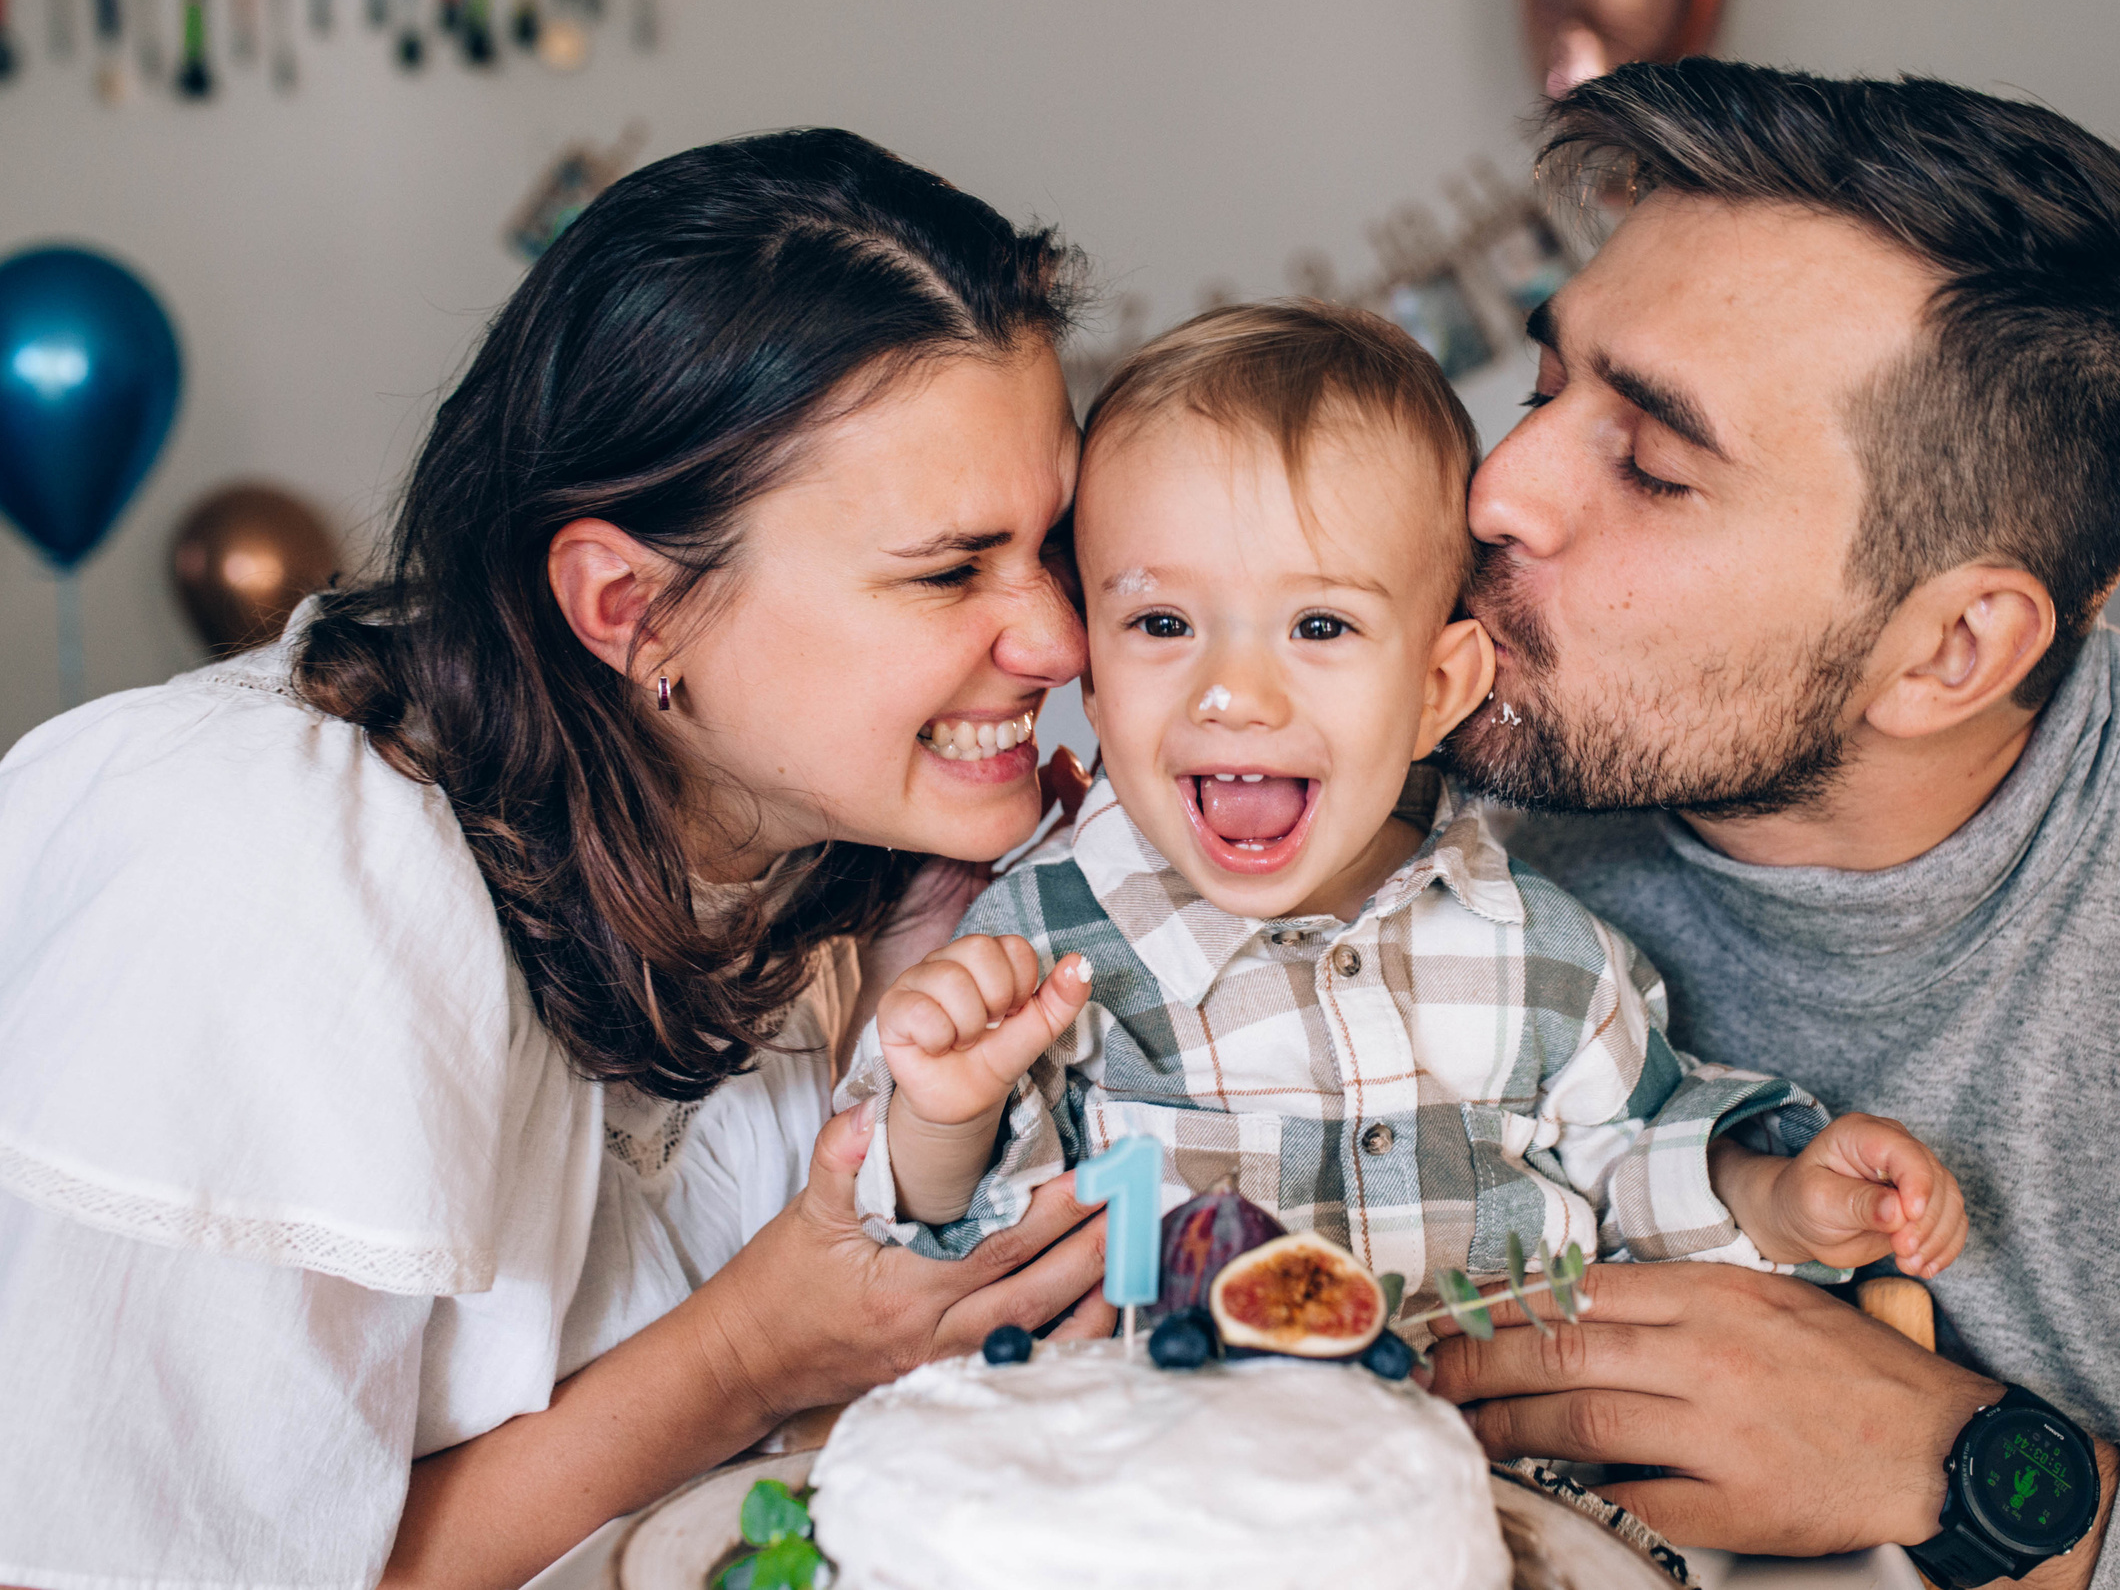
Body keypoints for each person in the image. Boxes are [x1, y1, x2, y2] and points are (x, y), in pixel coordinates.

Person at [1423, 58, 2120, 1588]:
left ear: (1951, 651)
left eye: (1654, 463)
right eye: (1549, 386)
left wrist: (1969, 1470)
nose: (1499, 490)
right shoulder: (1429, 790)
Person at [0, 130, 1118, 1590]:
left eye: (1055, 543)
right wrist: (753, 1347)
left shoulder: (825, 858)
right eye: (949, 568)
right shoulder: (266, 879)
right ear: (630, 606)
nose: (1059, 641)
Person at [847, 301, 1968, 1313]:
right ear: (1093, 679)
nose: (1233, 694)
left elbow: (1631, 1159)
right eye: (1162, 625)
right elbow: (945, 1230)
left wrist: (1777, 1198)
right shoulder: (1037, 954)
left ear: (1438, 690)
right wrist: (943, 1116)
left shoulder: (1542, 955)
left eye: (1320, 627)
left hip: (1498, 1502)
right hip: (1181, 1495)